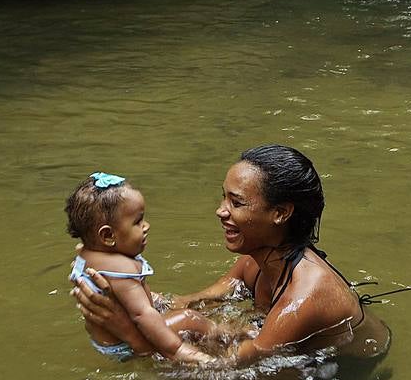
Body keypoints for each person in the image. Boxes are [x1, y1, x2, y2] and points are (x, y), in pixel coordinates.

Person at [70, 145, 391, 366]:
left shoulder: (305, 296)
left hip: (344, 371)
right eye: (223, 198)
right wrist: (121, 290)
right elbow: (190, 302)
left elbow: (227, 375)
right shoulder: (256, 260)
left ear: (280, 213)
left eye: (236, 203)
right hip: (276, 336)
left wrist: (128, 333)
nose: (220, 211)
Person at [65, 171, 213, 365]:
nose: (146, 226)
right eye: (138, 221)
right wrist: (177, 349)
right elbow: (143, 314)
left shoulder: (86, 253)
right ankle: (224, 334)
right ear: (108, 236)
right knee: (189, 319)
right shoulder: (122, 267)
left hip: (105, 342)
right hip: (125, 345)